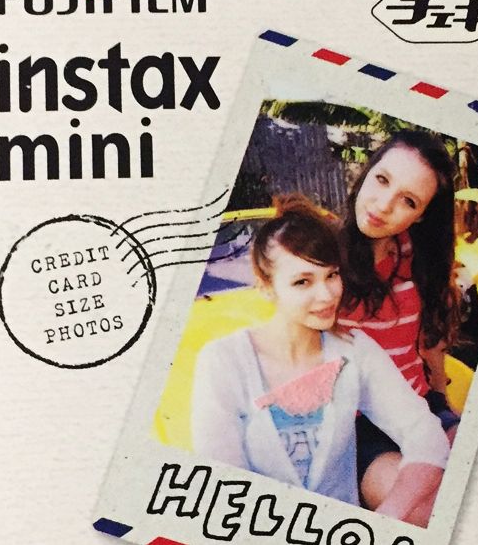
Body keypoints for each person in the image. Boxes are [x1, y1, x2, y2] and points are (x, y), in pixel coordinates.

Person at [191, 195, 448, 523]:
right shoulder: (224, 360)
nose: (327, 295)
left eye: (332, 275)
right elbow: (221, 480)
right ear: (266, 287)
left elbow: (424, 434)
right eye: (303, 282)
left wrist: (390, 515)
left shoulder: (355, 350)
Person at [337, 130, 461, 518]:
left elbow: (430, 339)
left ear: (421, 215)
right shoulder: (322, 260)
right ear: (367, 172)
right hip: (357, 428)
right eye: (382, 179)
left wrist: (442, 403)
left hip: (421, 408)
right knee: (429, 512)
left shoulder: (417, 257)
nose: (383, 205)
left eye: (408, 200)